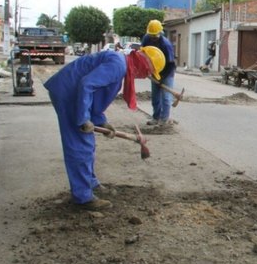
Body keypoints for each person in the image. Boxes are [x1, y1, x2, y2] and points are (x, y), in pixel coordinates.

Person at [43, 46, 166, 210]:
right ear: (144, 64)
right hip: (68, 94)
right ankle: (83, 198)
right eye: (148, 72)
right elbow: (87, 84)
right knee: (80, 146)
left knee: (88, 143)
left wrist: (101, 121)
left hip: (72, 92)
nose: (145, 76)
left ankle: (90, 183)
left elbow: (96, 92)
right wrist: (83, 119)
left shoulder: (121, 64)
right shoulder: (118, 65)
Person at [141, 19, 176, 126]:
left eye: (154, 36)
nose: (152, 38)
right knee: (155, 97)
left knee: (166, 97)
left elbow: (171, 64)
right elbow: (143, 54)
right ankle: (156, 118)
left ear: (160, 33)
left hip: (167, 72)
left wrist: (162, 78)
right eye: (151, 35)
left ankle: (164, 120)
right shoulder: (146, 39)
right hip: (154, 71)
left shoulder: (166, 44)